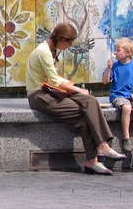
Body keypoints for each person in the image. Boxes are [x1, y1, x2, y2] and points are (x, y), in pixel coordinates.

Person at [26, 23, 125, 175]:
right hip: (39, 96)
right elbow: (55, 81)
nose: (70, 46)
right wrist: (79, 90)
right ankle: (95, 157)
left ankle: (102, 146)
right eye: (70, 42)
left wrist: (80, 91)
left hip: (52, 92)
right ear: (63, 39)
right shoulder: (43, 52)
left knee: (90, 101)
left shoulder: (51, 50)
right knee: (84, 114)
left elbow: (55, 81)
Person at [102, 37, 133, 156]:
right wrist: (109, 68)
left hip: (132, 95)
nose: (115, 52)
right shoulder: (115, 66)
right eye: (115, 50)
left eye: (118, 50)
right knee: (126, 108)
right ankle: (126, 138)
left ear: (128, 53)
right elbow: (105, 81)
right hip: (118, 95)